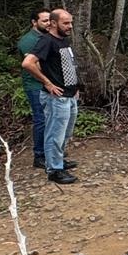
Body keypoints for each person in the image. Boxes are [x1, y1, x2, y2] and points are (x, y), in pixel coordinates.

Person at [21, 9, 80, 184]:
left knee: (65, 133)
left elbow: (67, 66)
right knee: (54, 133)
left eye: (70, 22)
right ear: (54, 23)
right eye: (66, 23)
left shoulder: (63, 40)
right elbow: (28, 63)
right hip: (56, 97)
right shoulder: (46, 41)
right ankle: (54, 170)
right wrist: (47, 83)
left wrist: (75, 87)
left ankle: (58, 161)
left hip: (69, 95)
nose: (70, 26)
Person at [18, 9, 51, 169]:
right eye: (44, 20)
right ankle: (39, 156)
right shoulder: (28, 41)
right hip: (35, 85)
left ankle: (49, 152)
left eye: (50, 20)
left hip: (48, 84)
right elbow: (33, 65)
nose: (48, 23)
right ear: (34, 22)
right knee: (41, 119)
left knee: (51, 119)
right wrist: (48, 80)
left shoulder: (46, 37)